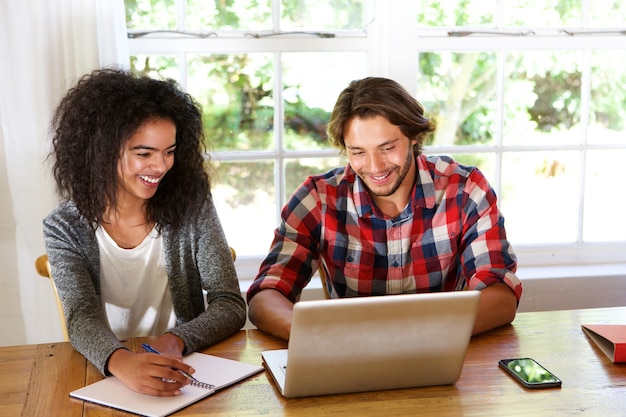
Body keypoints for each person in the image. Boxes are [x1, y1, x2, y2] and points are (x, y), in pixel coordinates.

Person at [247, 77, 523, 341]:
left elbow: (500, 296)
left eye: (387, 148)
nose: (375, 166)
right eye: (358, 152)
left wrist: (418, 335)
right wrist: (317, 336)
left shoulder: (465, 189)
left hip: (446, 352)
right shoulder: (318, 199)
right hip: (350, 358)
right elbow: (266, 295)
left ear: (414, 136)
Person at [43, 68, 246, 396]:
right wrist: (121, 361)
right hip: (106, 371)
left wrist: (177, 339)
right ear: (103, 150)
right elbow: (81, 317)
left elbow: (230, 303)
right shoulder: (64, 226)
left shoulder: (191, 206)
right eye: (144, 153)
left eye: (169, 151)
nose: (162, 166)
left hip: (181, 370)